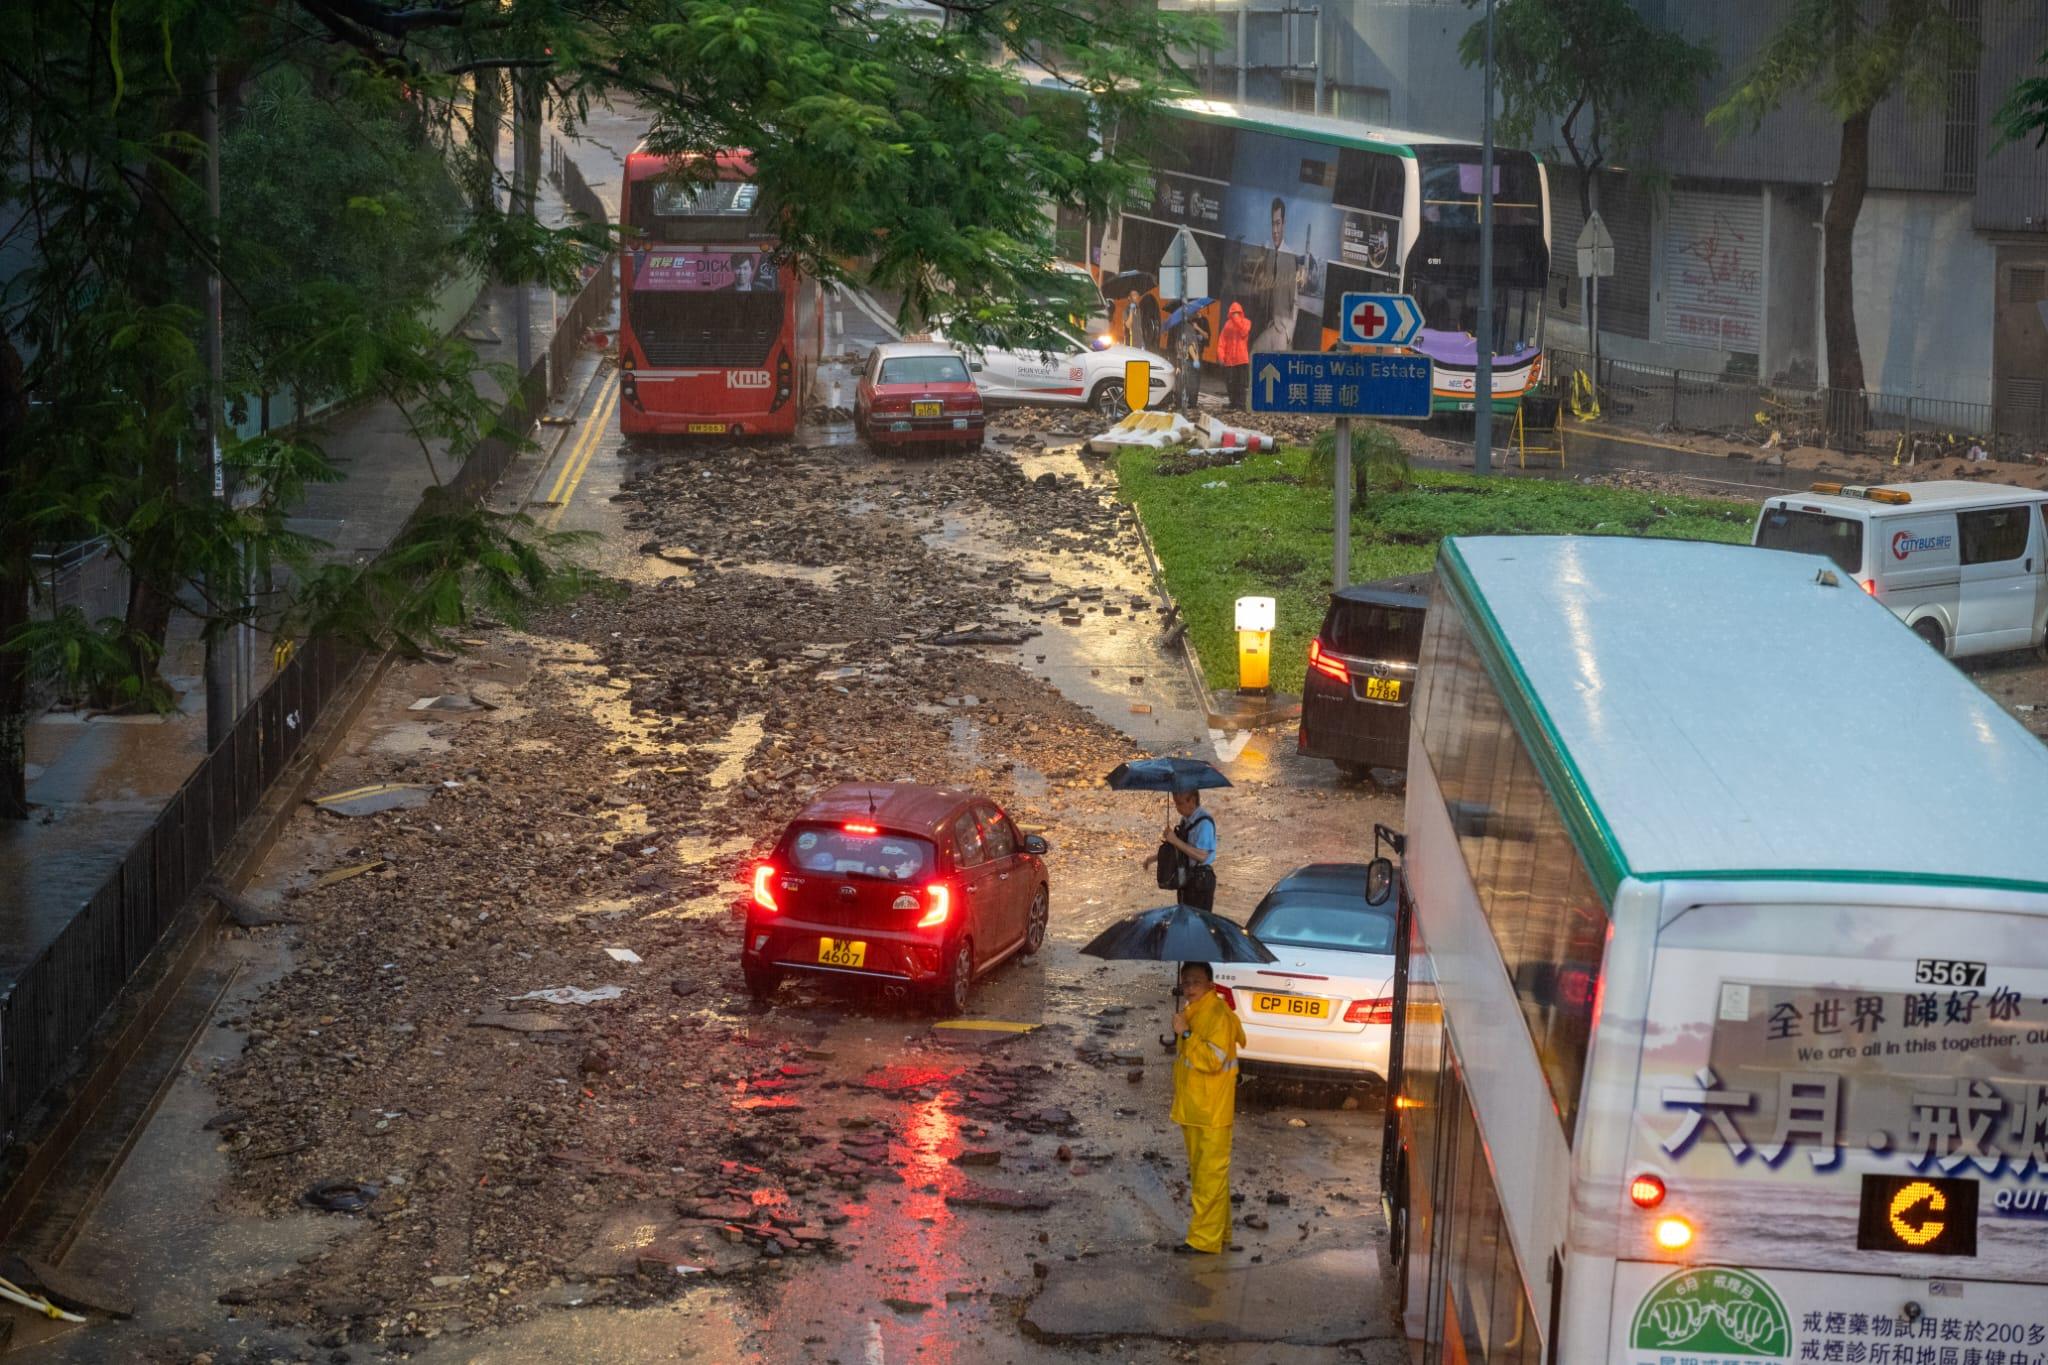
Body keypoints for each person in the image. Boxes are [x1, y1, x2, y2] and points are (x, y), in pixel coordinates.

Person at [1170, 961, 1246, 1255]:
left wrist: (1186, 1034)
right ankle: (1219, 1233)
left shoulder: (1217, 1015)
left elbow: (1212, 1061)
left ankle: (1203, 1240)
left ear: (1210, 985)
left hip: (1211, 1111)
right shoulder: (1194, 1011)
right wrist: (1183, 1028)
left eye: (1196, 983)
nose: (1189, 988)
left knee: (1207, 1177)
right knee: (1209, 1175)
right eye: (1186, 982)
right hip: (1195, 1108)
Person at [1249, 197, 1308, 355]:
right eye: (1272, 224)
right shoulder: (1268, 256)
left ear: (1284, 223)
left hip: (1283, 329)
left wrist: (1289, 332)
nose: (1275, 230)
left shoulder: (1290, 257)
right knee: (1254, 352)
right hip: (1269, 326)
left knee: (1279, 371)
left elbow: (1295, 301)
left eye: (1278, 223)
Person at [1143, 789, 1217, 911]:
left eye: (1180, 803)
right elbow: (1178, 850)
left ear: (1192, 800)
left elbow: (1202, 855)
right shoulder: (1185, 821)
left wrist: (1175, 840)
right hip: (1187, 877)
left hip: (1201, 880)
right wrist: (1153, 858)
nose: (1177, 808)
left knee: (1196, 923)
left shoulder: (1204, 824)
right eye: (1175, 803)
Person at [1217, 302, 1251, 410]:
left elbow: (1244, 332)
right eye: (1233, 313)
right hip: (1230, 360)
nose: (1235, 314)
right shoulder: (1227, 324)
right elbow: (1222, 342)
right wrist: (1221, 357)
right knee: (1230, 383)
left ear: (1241, 313)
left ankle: (1241, 405)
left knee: (1241, 384)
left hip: (1241, 360)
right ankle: (1233, 403)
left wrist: (1236, 320)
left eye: (1237, 313)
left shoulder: (1246, 322)